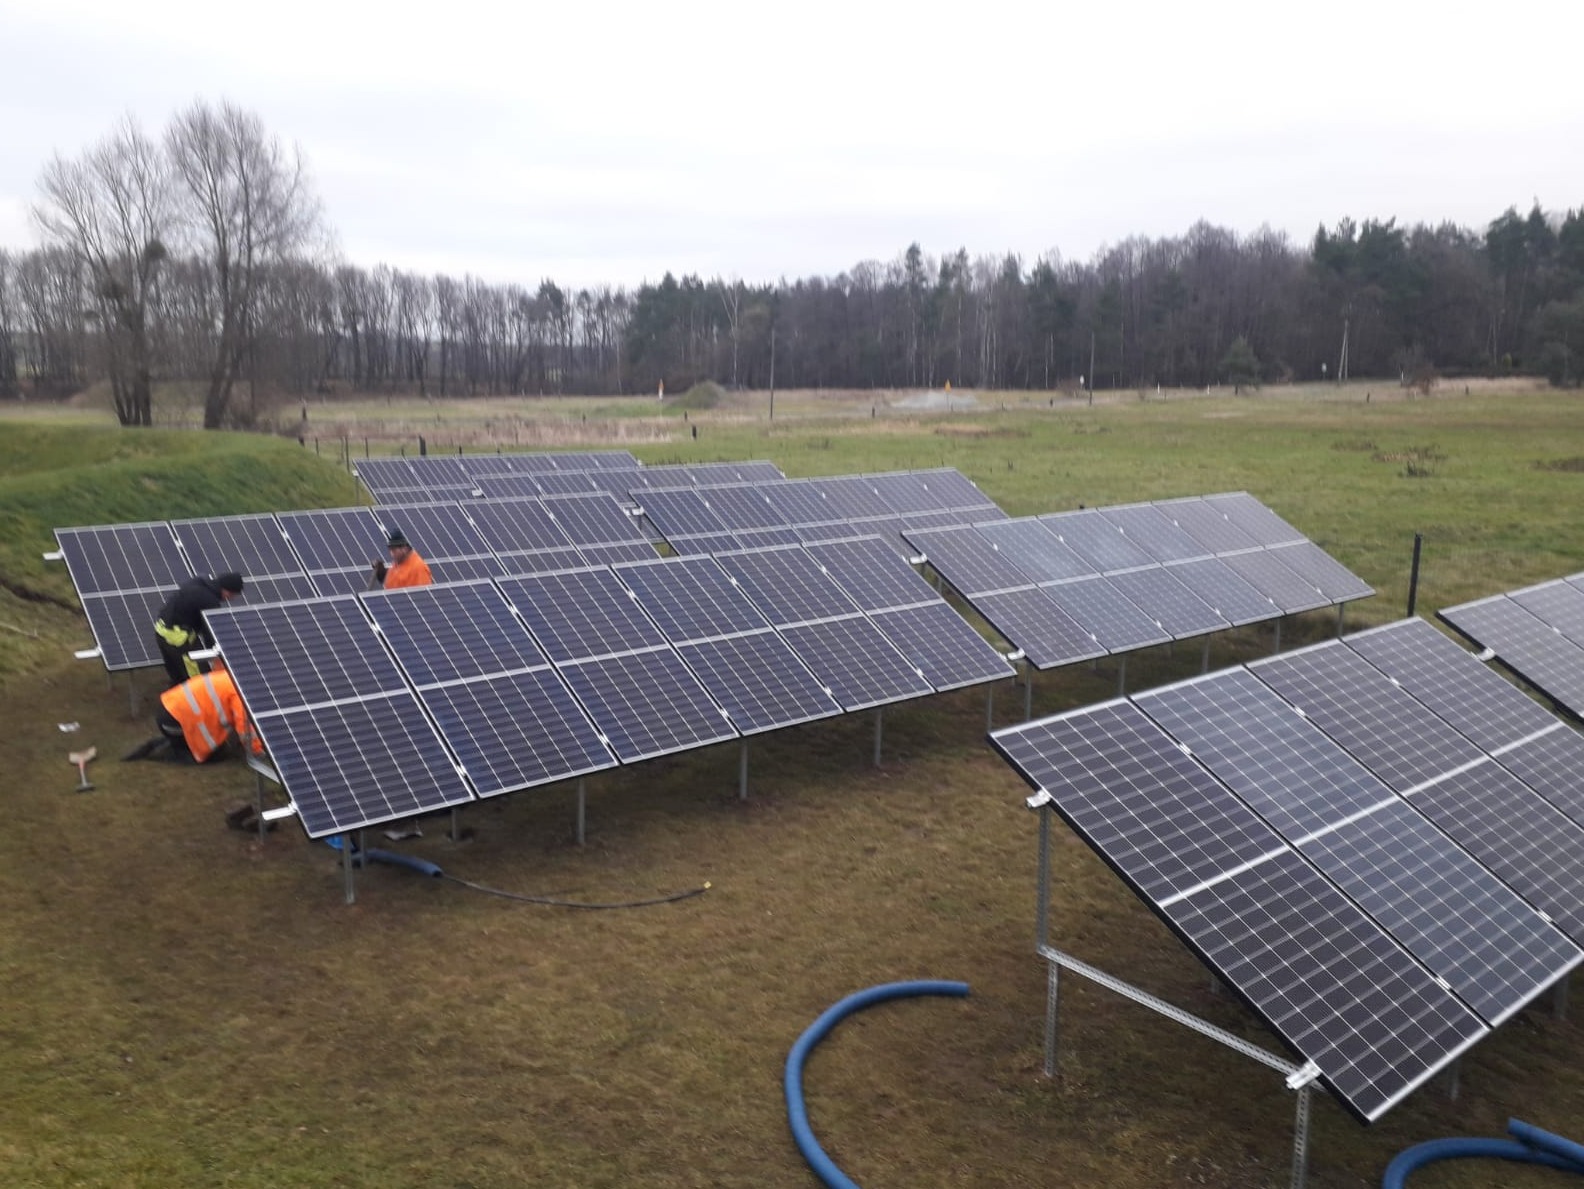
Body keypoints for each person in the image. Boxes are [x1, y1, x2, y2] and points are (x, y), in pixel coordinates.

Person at [122, 661, 263, 765]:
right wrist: (257, 751)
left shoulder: (229, 676)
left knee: (220, 748)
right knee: (212, 756)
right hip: (174, 721)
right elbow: (244, 727)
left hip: (167, 710)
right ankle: (166, 751)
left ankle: (167, 744)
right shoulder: (238, 694)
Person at [153, 572, 243, 688]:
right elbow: (209, 632)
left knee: (177, 674)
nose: (231, 599)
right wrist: (216, 656)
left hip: (161, 630)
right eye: (232, 596)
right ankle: (196, 702)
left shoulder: (199, 582)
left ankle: (175, 699)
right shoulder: (210, 602)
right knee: (199, 679)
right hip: (178, 639)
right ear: (226, 591)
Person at [369, 529, 433, 590]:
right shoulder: (398, 562)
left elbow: (424, 595)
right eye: (390, 550)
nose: (392, 554)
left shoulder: (418, 567)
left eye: (394, 550)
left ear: (404, 548)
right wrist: (381, 572)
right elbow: (396, 580)